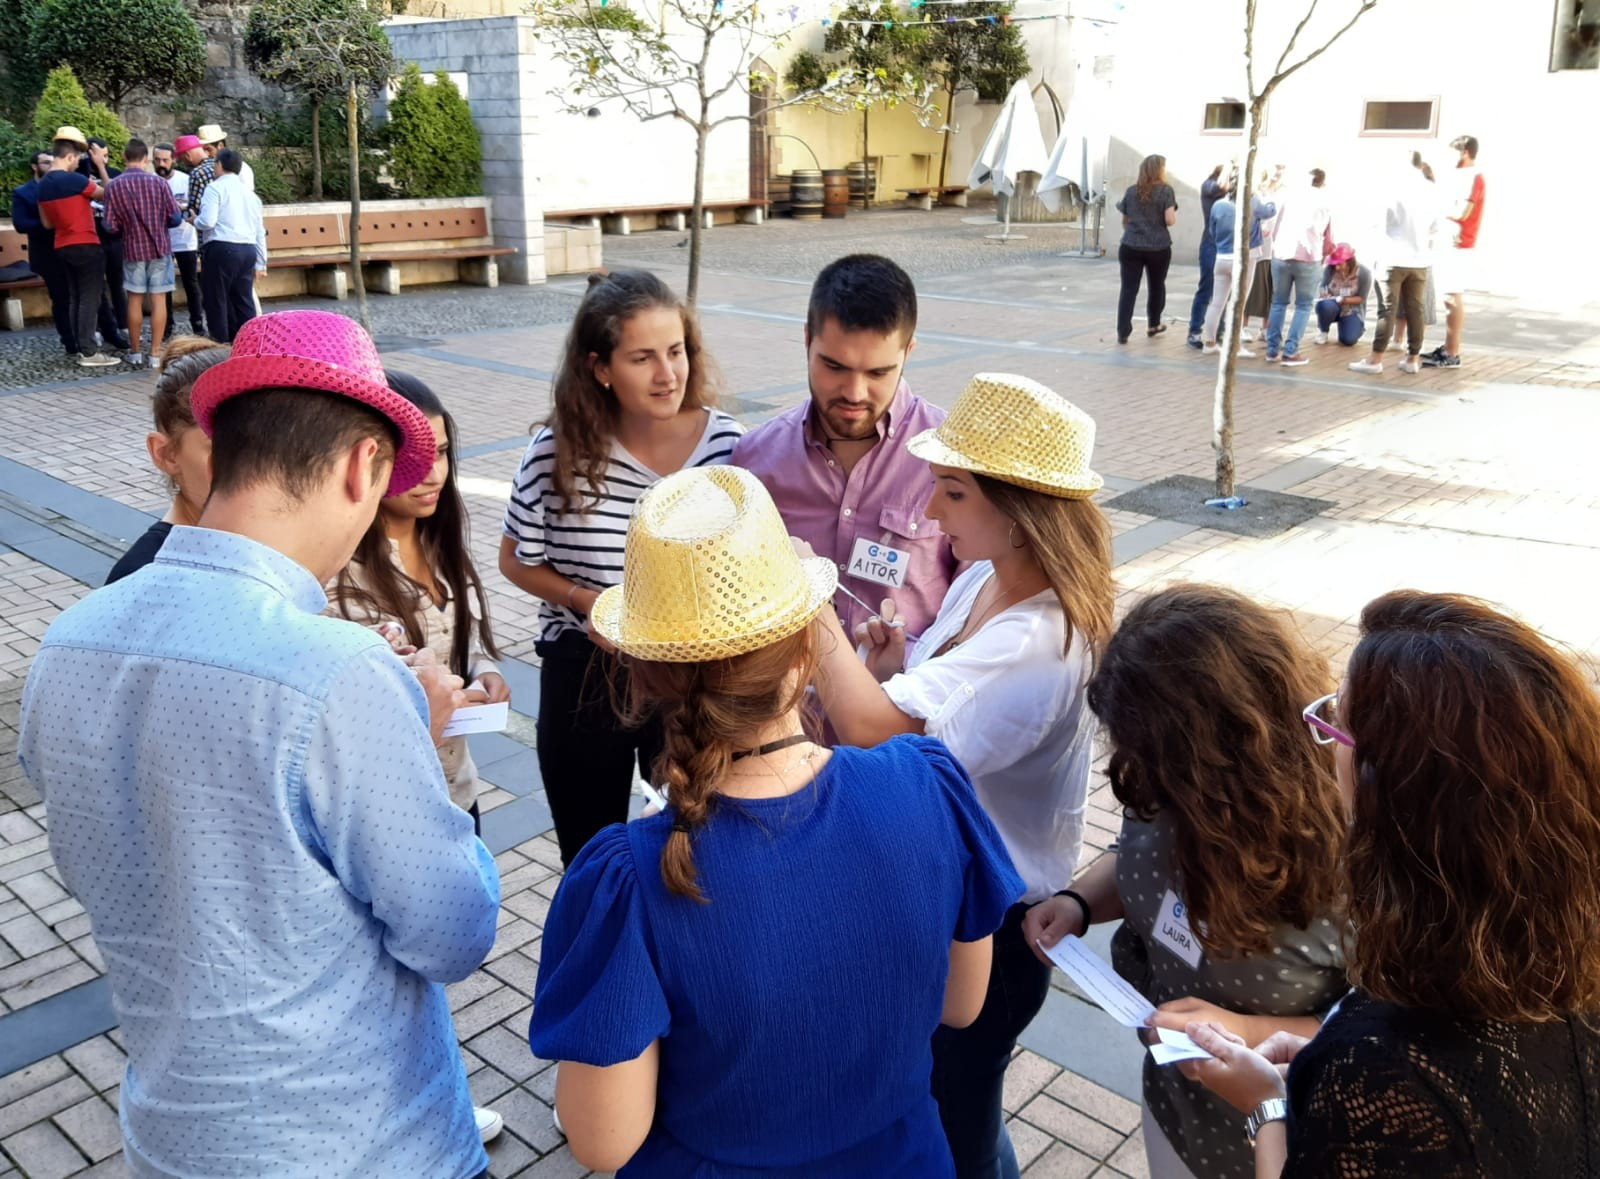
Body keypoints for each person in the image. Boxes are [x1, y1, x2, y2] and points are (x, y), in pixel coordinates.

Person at [17, 309, 501, 1176]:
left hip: (172, 1137)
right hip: (365, 1144)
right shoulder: (337, 670)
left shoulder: (69, 641)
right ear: (364, 465)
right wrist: (422, 756)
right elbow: (452, 932)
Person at [528, 463, 1022, 1176]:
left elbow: (604, 1140)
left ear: (644, 673)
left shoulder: (628, 876)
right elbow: (962, 1004)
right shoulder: (928, 782)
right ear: (804, 648)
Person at [811, 373, 1116, 1178]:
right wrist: (885, 663)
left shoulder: (1038, 635)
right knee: (951, 1092)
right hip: (956, 899)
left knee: (959, 1115)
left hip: (997, 921)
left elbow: (880, 734)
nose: (932, 511)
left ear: (1020, 512)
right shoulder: (987, 576)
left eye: (951, 491)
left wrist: (808, 610)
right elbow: (920, 703)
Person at [1185, 590, 1600, 1176]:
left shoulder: (1381, 1073)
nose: (1326, 738)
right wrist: (1318, 1062)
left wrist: (1268, 1108)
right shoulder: (1566, 951)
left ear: (1399, 794)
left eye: (1338, 724)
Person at [1022, 585, 1349, 1179]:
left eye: (1150, 754)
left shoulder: (1351, 862)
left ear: (1215, 753)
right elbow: (1138, 858)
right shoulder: (1164, 786)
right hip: (1175, 1110)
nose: (1132, 768)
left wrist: (1245, 1031)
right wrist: (1076, 902)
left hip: (1287, 1143)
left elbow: (1381, 1032)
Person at [499, 269, 743, 867]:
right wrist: (587, 601)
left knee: (702, 844)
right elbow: (516, 560)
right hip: (586, 671)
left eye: (676, 351)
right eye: (642, 358)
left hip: (692, 674)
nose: (667, 374)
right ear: (600, 368)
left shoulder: (730, 449)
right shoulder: (556, 454)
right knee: (589, 854)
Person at [732, 253, 957, 651]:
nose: (854, 393)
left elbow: (977, 611)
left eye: (877, 373)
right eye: (834, 367)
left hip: (902, 708)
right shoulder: (755, 462)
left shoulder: (952, 459)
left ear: (908, 351)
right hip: (789, 709)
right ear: (806, 340)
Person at [328, 370, 510, 830]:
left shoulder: (438, 539)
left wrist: (483, 670)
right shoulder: (337, 568)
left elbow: (458, 635)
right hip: (393, 807)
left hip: (460, 788)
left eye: (442, 452)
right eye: (413, 456)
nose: (432, 474)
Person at [105, 336, 227, 584]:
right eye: (223, 448)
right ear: (166, 453)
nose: (255, 465)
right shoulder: (140, 579)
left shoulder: (264, 542)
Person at [1348, 161, 1441, 377]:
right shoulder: (1431, 193)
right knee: (1416, 309)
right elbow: (1435, 228)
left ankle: (1375, 359)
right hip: (1419, 260)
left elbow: (1379, 224)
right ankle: (1413, 358)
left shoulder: (1393, 192)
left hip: (1393, 256)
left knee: (1387, 310)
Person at [37, 127, 118, 368]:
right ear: (71, 157)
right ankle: (90, 352)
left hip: (61, 244)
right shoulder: (75, 180)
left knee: (75, 297)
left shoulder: (43, 185)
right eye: (77, 160)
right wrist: (100, 166)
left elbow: (46, 223)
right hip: (86, 243)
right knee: (90, 299)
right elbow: (109, 193)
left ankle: (79, 346)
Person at [103, 138, 182, 368]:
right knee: (159, 301)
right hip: (159, 248)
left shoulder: (114, 186)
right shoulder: (159, 184)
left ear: (124, 157)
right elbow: (175, 218)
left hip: (132, 249)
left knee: (134, 300)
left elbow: (109, 226)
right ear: (146, 159)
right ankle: (155, 354)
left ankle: (135, 351)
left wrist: (124, 226)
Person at [1424, 135, 1484, 369]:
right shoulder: (1458, 176)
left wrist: (1440, 209)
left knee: (1453, 295)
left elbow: (1462, 213)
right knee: (1449, 296)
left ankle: (1452, 352)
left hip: (1459, 243)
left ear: (1465, 152)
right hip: (1447, 241)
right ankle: (1448, 348)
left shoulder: (1474, 177)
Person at [11, 148, 77, 356]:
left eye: (52, 162)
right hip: (46, 254)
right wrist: (49, 224)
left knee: (81, 294)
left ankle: (88, 334)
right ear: (34, 166)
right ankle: (69, 340)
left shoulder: (62, 186)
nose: (50, 166)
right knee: (60, 297)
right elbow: (21, 224)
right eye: (45, 163)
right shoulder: (23, 192)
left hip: (71, 249)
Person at [196, 149, 267, 342]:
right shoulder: (250, 195)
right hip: (248, 249)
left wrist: (195, 220)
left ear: (218, 165)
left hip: (222, 247)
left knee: (216, 299)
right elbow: (259, 230)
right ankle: (248, 342)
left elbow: (208, 221)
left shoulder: (215, 188)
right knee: (243, 299)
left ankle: (220, 344)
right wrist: (262, 262)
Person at [1264, 169, 1333, 366]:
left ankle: (1271, 350)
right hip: (1309, 257)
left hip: (1281, 254)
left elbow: (1271, 226)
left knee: (1278, 303)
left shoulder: (1288, 195)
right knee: (1303, 305)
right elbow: (1328, 237)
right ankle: (1291, 351)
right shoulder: (1324, 201)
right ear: (1322, 182)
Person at [1200, 179, 1276, 356]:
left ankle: (1209, 343)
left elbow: (1212, 230)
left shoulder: (1218, 205)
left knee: (1217, 302)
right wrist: (1270, 198)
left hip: (1222, 256)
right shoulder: (1252, 201)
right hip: (1245, 256)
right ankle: (1235, 346)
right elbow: (1269, 211)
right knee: (1239, 303)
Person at [1114, 155, 1178, 343]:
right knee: (1157, 286)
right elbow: (1170, 220)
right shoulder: (1166, 191)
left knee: (1128, 289)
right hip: (1158, 247)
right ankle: (1153, 324)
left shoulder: (1131, 191)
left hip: (1130, 246)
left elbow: (1125, 221)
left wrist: (1136, 231)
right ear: (1160, 170)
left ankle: (1123, 331)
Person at [155, 137, 205, 339]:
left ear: (174, 160)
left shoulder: (187, 179)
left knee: (191, 283)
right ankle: (166, 326)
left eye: (165, 160)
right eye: (157, 160)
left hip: (185, 239)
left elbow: (196, 206)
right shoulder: (151, 181)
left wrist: (181, 208)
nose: (161, 164)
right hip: (161, 241)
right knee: (164, 285)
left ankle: (197, 323)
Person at [1186, 164, 1228, 349]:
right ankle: (1195, 331)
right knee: (1206, 290)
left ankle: (1220, 332)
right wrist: (1229, 168)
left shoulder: (1232, 191)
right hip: (1211, 245)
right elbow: (1220, 187)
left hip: (1228, 247)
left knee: (1226, 292)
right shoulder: (1209, 186)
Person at [185, 122, 255, 223]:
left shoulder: (242, 169)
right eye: (203, 150)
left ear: (220, 146)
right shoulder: (209, 169)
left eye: (209, 149)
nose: (206, 154)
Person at [1313, 243, 1371, 347]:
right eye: (1335, 264)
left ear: (1349, 262)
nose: (1337, 267)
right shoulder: (1329, 269)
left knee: (1348, 340)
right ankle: (1324, 331)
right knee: (1324, 306)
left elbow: (1362, 298)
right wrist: (1324, 294)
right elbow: (1323, 286)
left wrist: (1344, 300)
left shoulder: (1364, 273)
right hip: (1332, 304)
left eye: (1340, 264)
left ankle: (1355, 327)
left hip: (1351, 309)